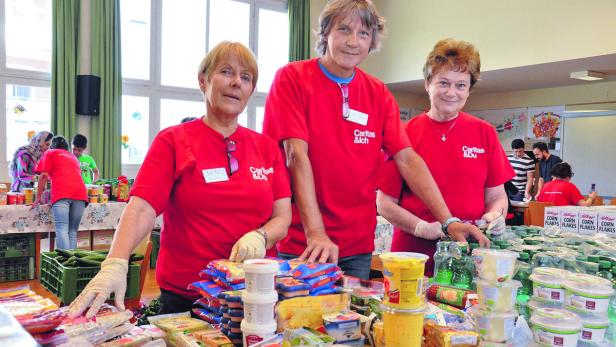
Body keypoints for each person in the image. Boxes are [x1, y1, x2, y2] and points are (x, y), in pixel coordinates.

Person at [69, 41, 291, 318]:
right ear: (203, 80)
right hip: (187, 298)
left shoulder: (267, 148)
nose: (236, 83)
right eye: (226, 72)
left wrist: (261, 235)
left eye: (246, 77)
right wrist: (115, 262)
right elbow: (141, 208)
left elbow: (282, 217)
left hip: (254, 293)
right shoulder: (174, 141)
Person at [263, 0, 481, 280]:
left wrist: (448, 220)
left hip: (357, 246)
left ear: (372, 42)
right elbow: (295, 155)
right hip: (304, 245)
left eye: (363, 33)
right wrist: (315, 233)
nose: (353, 41)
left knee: (352, 322)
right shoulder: (293, 78)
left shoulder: (377, 92)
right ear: (326, 32)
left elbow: (407, 157)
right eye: (344, 29)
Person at [376, 38, 515, 275]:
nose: (452, 92)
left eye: (461, 85)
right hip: (414, 255)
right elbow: (385, 204)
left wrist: (496, 214)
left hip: (470, 253)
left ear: (469, 90)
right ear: (427, 84)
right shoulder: (404, 134)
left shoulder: (485, 133)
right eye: (444, 82)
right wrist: (421, 228)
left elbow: (497, 195)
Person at [32, 136, 88, 250]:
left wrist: (38, 197)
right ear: (67, 148)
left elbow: (43, 176)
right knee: (72, 231)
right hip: (81, 194)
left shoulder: (50, 153)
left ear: (52, 146)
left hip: (62, 193)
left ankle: (64, 263)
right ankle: (71, 265)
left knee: (62, 228)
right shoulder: (73, 157)